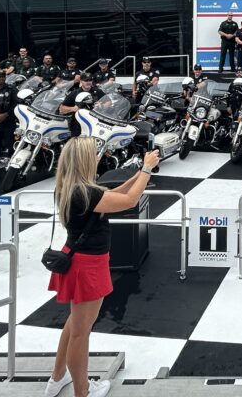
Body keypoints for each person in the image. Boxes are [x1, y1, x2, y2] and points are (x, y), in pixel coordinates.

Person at [44, 137, 160, 397]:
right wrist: (147, 169)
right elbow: (129, 201)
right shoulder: (85, 193)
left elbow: (115, 195)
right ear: (85, 160)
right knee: (80, 333)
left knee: (74, 324)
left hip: (76, 259)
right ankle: (82, 391)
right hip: (87, 265)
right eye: (94, 154)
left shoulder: (71, 188)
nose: (98, 157)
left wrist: (140, 173)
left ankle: (57, 377)